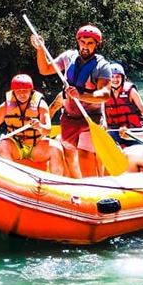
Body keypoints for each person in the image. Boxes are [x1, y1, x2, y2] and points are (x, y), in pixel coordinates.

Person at [30, 25, 111, 178]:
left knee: (85, 156)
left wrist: (80, 96)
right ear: (78, 41)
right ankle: (78, 187)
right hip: (69, 118)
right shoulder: (68, 57)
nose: (85, 46)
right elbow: (45, 69)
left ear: (97, 45)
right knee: (69, 156)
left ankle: (93, 191)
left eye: (90, 43)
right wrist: (40, 49)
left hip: (90, 118)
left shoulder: (102, 66)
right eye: (83, 42)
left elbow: (105, 94)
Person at [0, 74, 65, 175]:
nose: (22, 94)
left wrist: (39, 126)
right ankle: (12, 179)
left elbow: (47, 129)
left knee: (56, 148)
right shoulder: (4, 107)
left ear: (31, 90)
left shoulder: (41, 105)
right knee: (1, 145)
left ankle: (55, 184)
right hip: (16, 145)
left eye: (25, 90)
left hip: (36, 146)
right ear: (13, 91)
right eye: (19, 91)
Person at [105, 63, 143, 148]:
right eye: (112, 77)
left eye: (118, 77)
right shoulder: (105, 93)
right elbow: (102, 112)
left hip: (133, 131)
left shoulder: (131, 91)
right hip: (115, 131)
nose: (115, 80)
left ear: (123, 78)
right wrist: (103, 123)